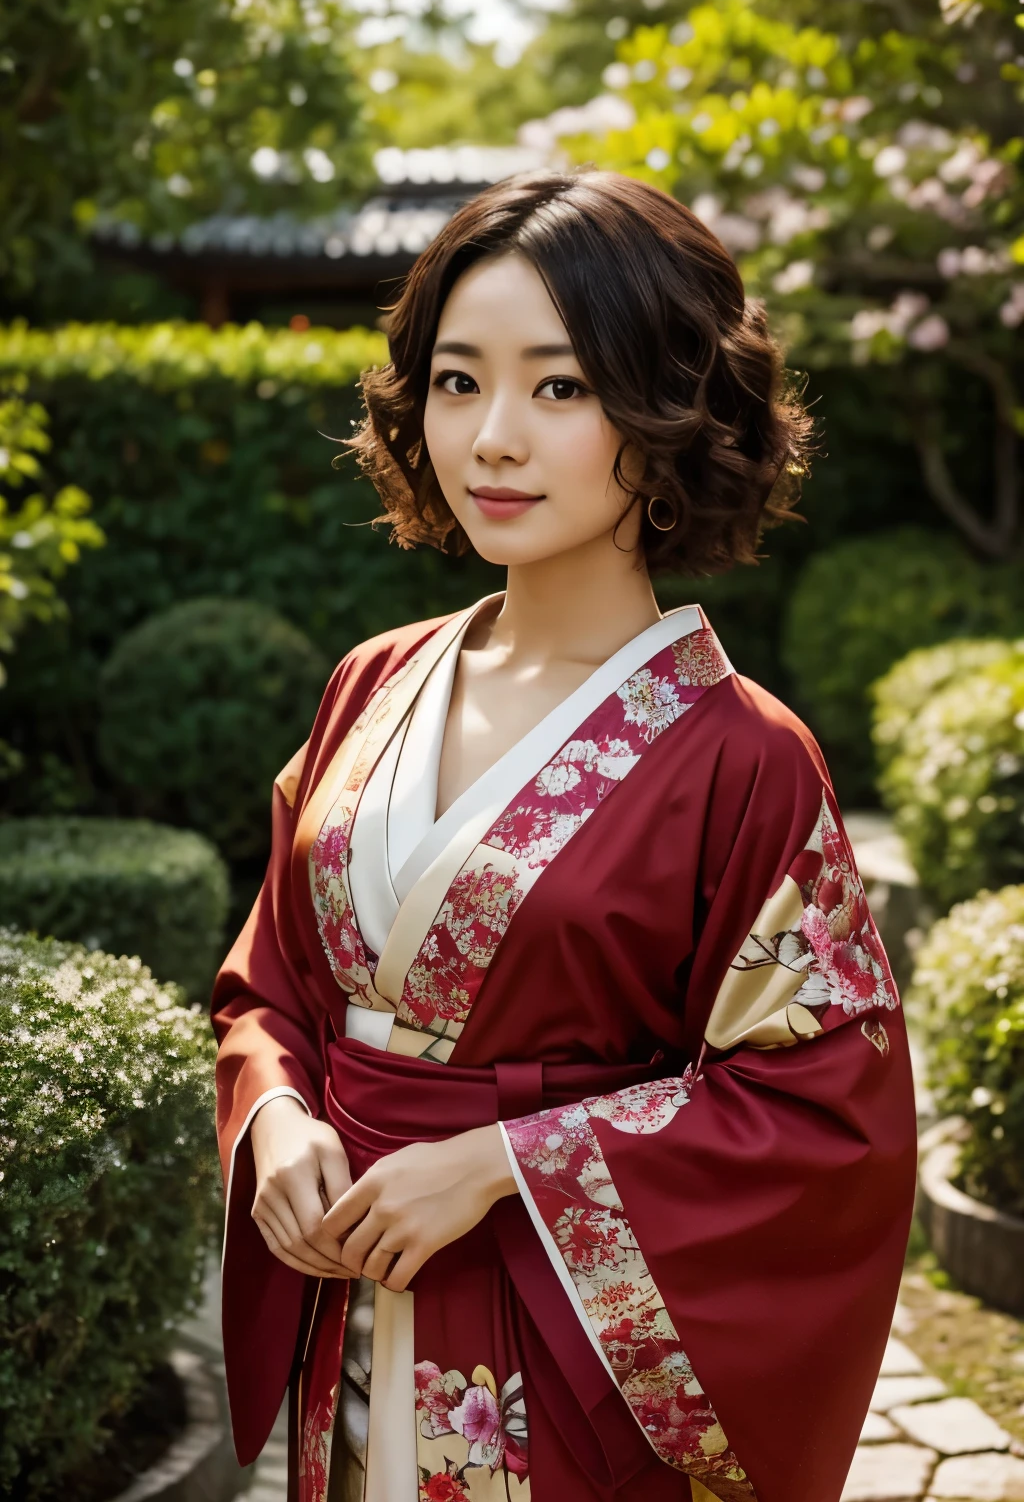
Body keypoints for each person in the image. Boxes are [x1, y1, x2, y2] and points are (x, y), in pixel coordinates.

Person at [211, 169, 917, 1502]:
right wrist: (281, 1116)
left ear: (667, 412)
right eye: (459, 380)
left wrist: (500, 1168)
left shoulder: (745, 758)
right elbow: (274, 982)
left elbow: (823, 1108)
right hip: (349, 1306)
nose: (491, 440)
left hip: (563, 1369)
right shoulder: (372, 681)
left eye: (560, 386)